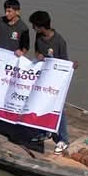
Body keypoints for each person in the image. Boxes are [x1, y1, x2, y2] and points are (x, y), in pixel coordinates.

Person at [29, 11, 71, 146]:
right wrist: (38, 56)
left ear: (41, 26)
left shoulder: (59, 41)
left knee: (59, 108)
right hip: (43, 77)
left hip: (57, 80)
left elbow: (65, 63)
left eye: (34, 25)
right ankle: (44, 132)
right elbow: (36, 51)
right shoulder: (38, 36)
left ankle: (63, 139)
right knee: (42, 104)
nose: (33, 28)